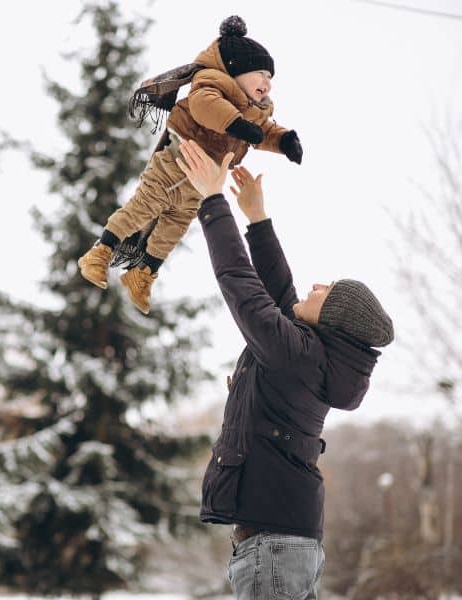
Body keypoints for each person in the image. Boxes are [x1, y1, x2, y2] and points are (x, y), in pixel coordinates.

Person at [173, 139, 393, 599]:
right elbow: (279, 293)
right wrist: (257, 218)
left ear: (333, 319)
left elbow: (243, 287)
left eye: (326, 290)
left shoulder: (298, 357)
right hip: (283, 542)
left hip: (273, 548)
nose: (316, 285)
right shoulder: (312, 357)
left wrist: (213, 201)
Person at [77, 15, 302, 314]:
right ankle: (100, 252)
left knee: (174, 228)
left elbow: (262, 133)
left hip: (201, 182)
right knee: (144, 206)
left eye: (271, 78)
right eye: (261, 73)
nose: (267, 83)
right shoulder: (213, 83)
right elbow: (204, 106)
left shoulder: (256, 111)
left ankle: (142, 274)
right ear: (236, 68)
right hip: (175, 164)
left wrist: (284, 141)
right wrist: (236, 124)